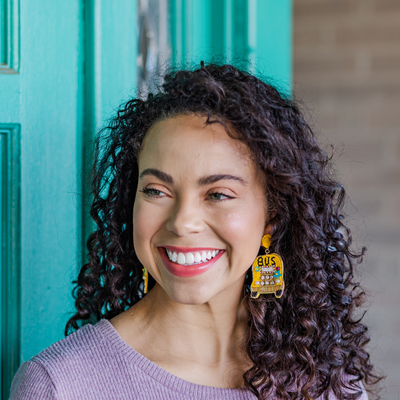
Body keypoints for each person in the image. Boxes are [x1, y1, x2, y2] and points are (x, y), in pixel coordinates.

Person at [9, 62, 382, 400]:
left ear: (273, 214)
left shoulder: (329, 382)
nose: (182, 222)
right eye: (156, 191)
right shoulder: (59, 385)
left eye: (218, 194)